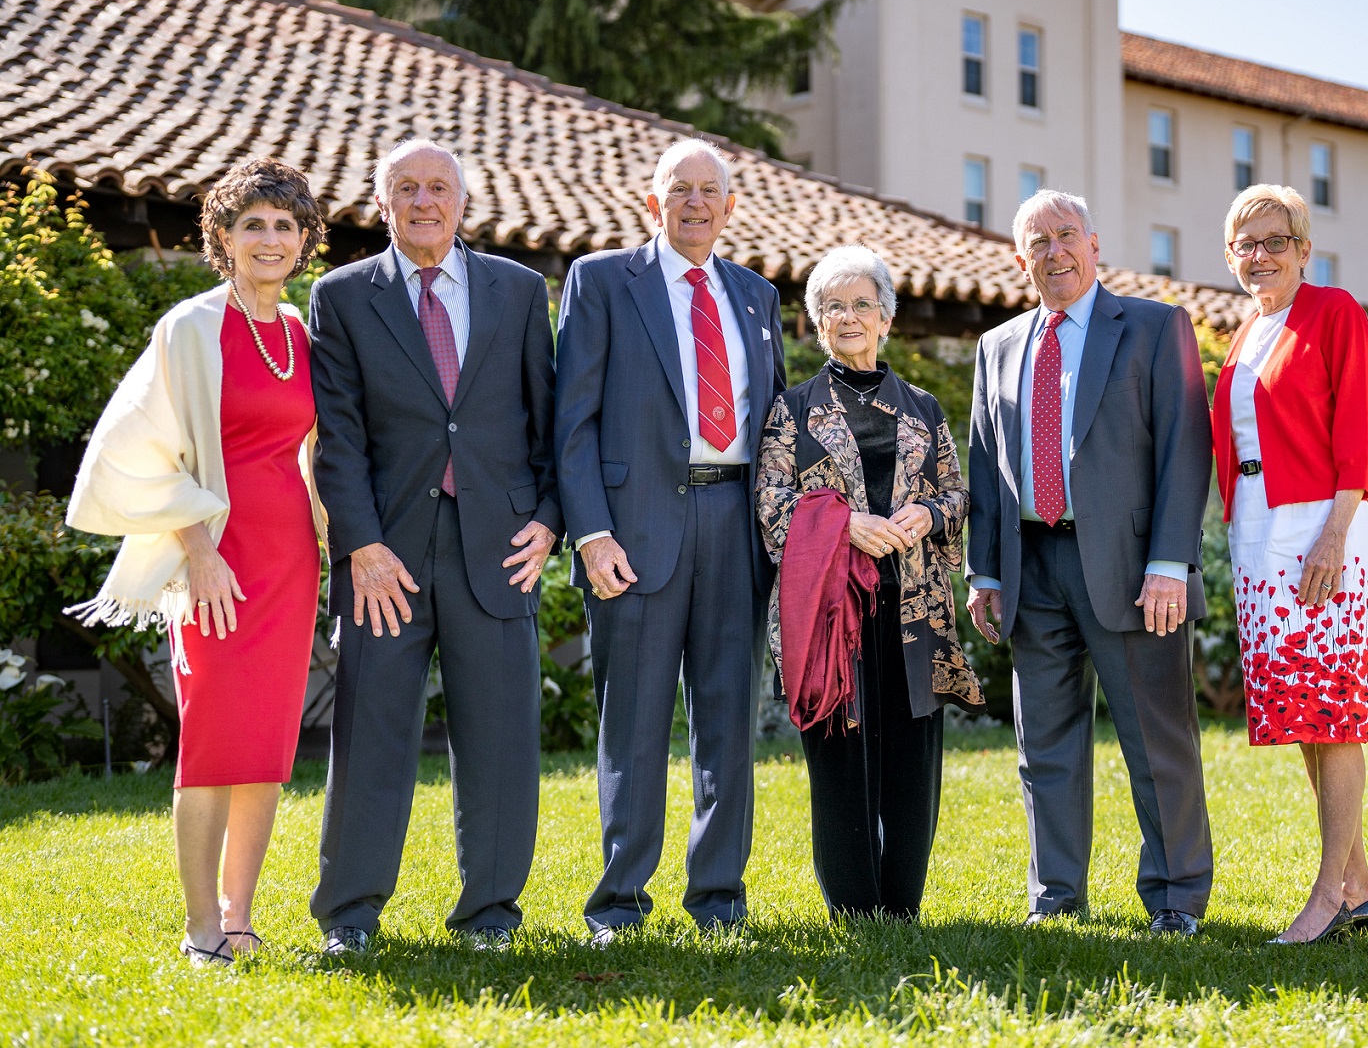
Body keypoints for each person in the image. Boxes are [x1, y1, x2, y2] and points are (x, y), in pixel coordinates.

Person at [66, 158, 327, 966]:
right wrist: (199, 550)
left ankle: (239, 914)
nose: (270, 238)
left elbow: (315, 455)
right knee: (214, 735)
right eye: (254, 223)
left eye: (286, 225)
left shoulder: (302, 336)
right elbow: (143, 445)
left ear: (306, 240)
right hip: (215, 559)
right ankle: (199, 927)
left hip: (289, 560)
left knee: (266, 746)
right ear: (223, 236)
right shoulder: (190, 328)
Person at [307, 139, 560, 955]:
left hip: (500, 545)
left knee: (500, 740)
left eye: (439, 188)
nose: (424, 201)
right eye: (407, 188)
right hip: (388, 557)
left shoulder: (519, 291)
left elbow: (548, 420)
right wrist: (361, 546)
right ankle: (350, 913)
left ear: (463, 202)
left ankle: (490, 912)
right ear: (382, 204)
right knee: (372, 735)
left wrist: (550, 518)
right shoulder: (341, 297)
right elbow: (338, 439)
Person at [966, 188, 1214, 935]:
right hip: (1030, 567)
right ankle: (1056, 895)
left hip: (1135, 572)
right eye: (1037, 242)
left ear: (1095, 243)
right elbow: (985, 464)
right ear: (1020, 259)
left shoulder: (1152, 326)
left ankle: (1174, 894)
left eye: (1066, 235)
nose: (1054, 252)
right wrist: (984, 571)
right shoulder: (998, 347)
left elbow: (1185, 449)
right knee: (1043, 742)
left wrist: (1171, 561)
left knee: (1155, 737)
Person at [555, 138, 784, 943]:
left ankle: (719, 895)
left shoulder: (757, 296)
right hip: (634, 529)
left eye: (708, 191)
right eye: (677, 189)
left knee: (728, 719)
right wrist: (590, 533)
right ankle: (620, 900)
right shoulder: (602, 281)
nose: (693, 202)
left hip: (736, 525)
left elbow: (780, 426)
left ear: (729, 207)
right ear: (651, 202)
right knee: (635, 722)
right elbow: (571, 422)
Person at [753, 246, 983, 921]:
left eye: (861, 304)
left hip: (916, 610)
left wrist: (929, 512)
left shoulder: (924, 407)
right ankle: (854, 906)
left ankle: (903, 905)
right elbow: (769, 499)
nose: (848, 317)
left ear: (886, 317)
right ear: (816, 324)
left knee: (912, 765)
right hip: (830, 613)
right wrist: (843, 525)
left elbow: (958, 493)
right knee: (839, 764)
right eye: (833, 306)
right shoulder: (790, 410)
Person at [1211, 184, 1368, 944]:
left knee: (1334, 713)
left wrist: (1334, 534)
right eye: (1246, 244)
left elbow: (1360, 430)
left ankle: (1327, 896)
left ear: (1304, 248)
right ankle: (1362, 886)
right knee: (1303, 716)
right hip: (1257, 530)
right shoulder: (1244, 335)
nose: (1260, 255)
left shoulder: (1333, 312)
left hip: (1323, 522)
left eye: (1275, 240)